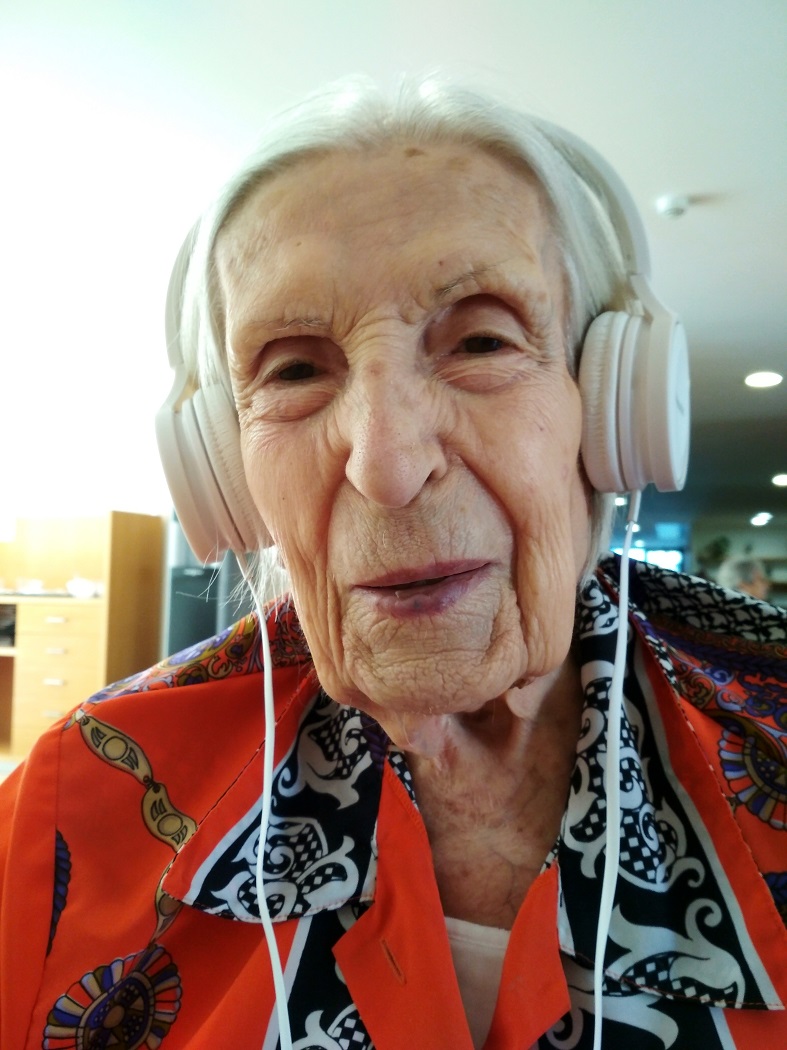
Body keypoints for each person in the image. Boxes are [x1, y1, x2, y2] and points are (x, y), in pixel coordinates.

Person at [1, 77, 785, 1050]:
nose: (386, 464)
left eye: (481, 341)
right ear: (222, 465)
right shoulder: (78, 806)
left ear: (609, 408)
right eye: (294, 368)